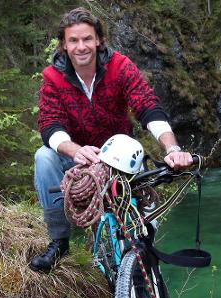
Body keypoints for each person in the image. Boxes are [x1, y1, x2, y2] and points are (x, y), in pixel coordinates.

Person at [30, 7, 193, 273]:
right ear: (64, 45)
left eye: (87, 39)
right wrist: (75, 150)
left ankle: (144, 265)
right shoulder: (53, 77)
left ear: (98, 40)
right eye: (73, 40)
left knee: (145, 232)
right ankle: (59, 242)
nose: (81, 46)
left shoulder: (120, 67)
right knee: (44, 156)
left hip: (119, 155)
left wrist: (172, 148)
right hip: (77, 156)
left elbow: (147, 107)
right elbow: (50, 125)